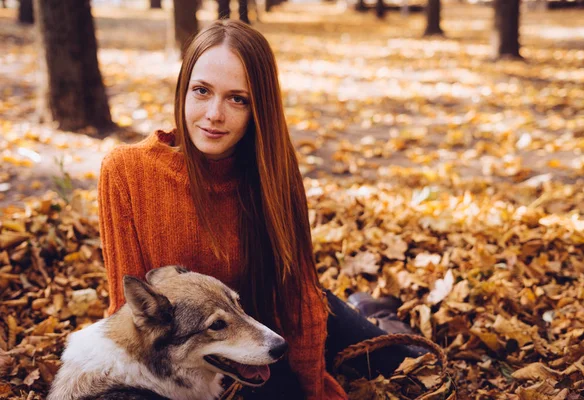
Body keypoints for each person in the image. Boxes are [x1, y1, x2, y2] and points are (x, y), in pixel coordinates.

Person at [98, 20, 423, 399]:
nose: (214, 114)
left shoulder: (272, 171)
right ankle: (367, 310)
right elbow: (127, 309)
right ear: (182, 90)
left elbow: (297, 300)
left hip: (271, 329)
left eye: (238, 99)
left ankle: (374, 315)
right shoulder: (125, 171)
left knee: (410, 364)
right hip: (208, 354)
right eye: (201, 91)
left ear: (259, 108)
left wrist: (313, 388)